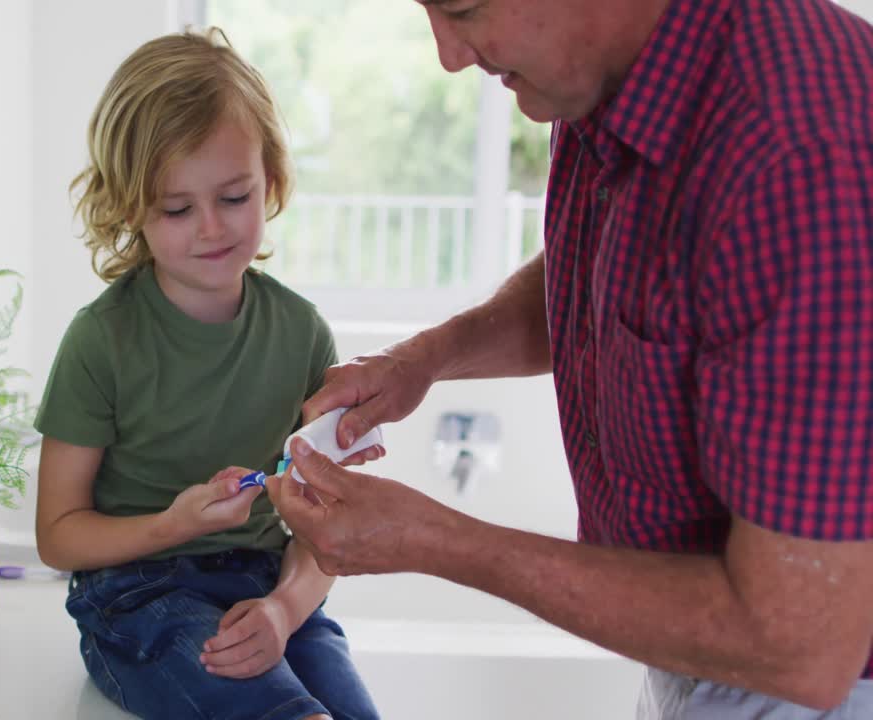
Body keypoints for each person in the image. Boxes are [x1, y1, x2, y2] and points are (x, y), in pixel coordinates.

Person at [266, 0, 873, 717]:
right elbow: (623, 275)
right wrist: (421, 361)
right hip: (695, 661)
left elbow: (798, 645)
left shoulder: (798, 153)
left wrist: (435, 541)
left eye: (465, 9)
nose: (449, 57)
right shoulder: (593, 78)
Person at [33, 27, 380, 720]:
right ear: (132, 208)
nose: (212, 230)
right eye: (178, 208)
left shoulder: (303, 334)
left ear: (271, 181)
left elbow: (322, 533)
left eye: (234, 197)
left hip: (267, 585)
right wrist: (172, 524)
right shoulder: (101, 341)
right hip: (137, 593)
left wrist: (283, 611)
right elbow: (58, 534)